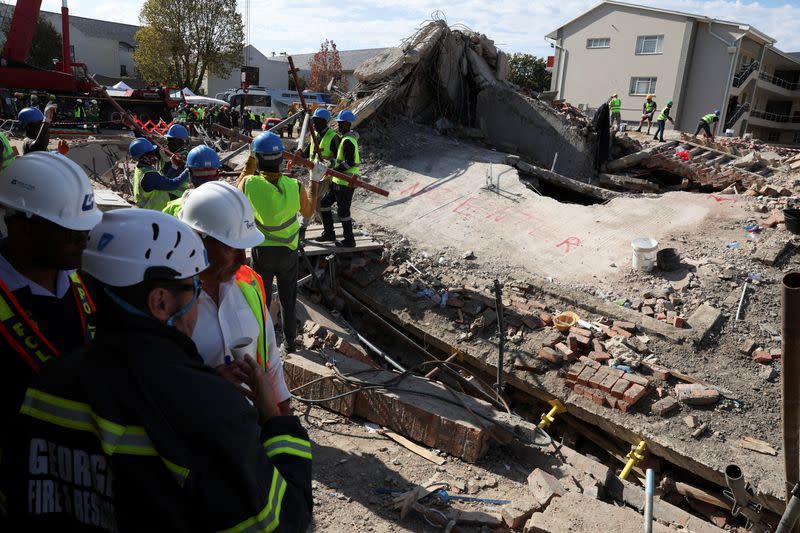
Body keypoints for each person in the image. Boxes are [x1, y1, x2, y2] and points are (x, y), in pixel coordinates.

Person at [0, 208, 313, 531]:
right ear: (160, 302)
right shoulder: (211, 409)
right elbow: (281, 520)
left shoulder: (45, 388)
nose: (198, 298)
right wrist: (277, 422)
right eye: (194, 286)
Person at [0, 152, 102, 466]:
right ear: (19, 226)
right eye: (67, 229)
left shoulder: (87, 280)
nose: (83, 239)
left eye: (85, 227)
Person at [179, 181, 292, 415]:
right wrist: (210, 384)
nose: (243, 259)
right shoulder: (167, 303)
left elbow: (270, 361)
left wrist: (283, 415)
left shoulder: (248, 284)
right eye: (232, 248)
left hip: (251, 427)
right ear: (197, 240)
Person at [241, 132, 324, 354]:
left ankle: (262, 348)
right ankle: (290, 344)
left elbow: (236, 190)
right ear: (281, 159)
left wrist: (251, 160)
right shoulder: (295, 185)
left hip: (263, 253)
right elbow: (309, 211)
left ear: (258, 159)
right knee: (289, 300)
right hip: (288, 253)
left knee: (262, 302)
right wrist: (314, 180)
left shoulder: (249, 184)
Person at [317, 109, 360, 248]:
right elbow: (341, 160)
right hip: (337, 182)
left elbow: (349, 163)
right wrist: (331, 166)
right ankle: (329, 233)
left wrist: (333, 170)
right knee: (324, 204)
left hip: (345, 184)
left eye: (341, 124)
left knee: (343, 212)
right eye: (339, 124)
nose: (339, 126)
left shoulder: (348, 141)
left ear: (348, 124)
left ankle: (349, 240)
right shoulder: (344, 139)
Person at [130, 137, 189, 211]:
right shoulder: (149, 176)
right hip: (154, 213)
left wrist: (174, 166)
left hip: (148, 211)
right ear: (142, 156)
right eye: (151, 153)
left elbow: (165, 180)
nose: (154, 155)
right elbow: (173, 184)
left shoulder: (141, 169)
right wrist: (188, 170)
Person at [162, 145, 222, 216]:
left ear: (189, 174)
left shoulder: (174, 208)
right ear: (217, 173)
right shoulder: (227, 201)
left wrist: (174, 166)